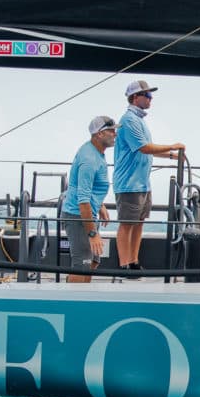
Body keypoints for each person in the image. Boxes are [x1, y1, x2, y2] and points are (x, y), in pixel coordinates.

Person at [114, 79, 185, 277]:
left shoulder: (139, 121)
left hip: (142, 183)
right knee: (127, 223)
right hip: (129, 184)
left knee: (139, 222)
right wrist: (172, 146)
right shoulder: (128, 120)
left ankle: (134, 261)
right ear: (135, 97)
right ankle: (124, 265)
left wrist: (171, 156)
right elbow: (143, 147)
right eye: (147, 96)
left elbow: (148, 148)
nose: (150, 99)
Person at [61, 116, 117, 283]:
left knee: (93, 261)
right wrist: (92, 234)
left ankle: (82, 295)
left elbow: (90, 189)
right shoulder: (89, 160)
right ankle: (72, 302)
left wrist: (100, 206)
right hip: (78, 217)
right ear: (99, 134)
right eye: (111, 131)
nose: (115, 134)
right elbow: (83, 200)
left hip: (88, 215)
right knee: (82, 264)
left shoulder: (96, 151)